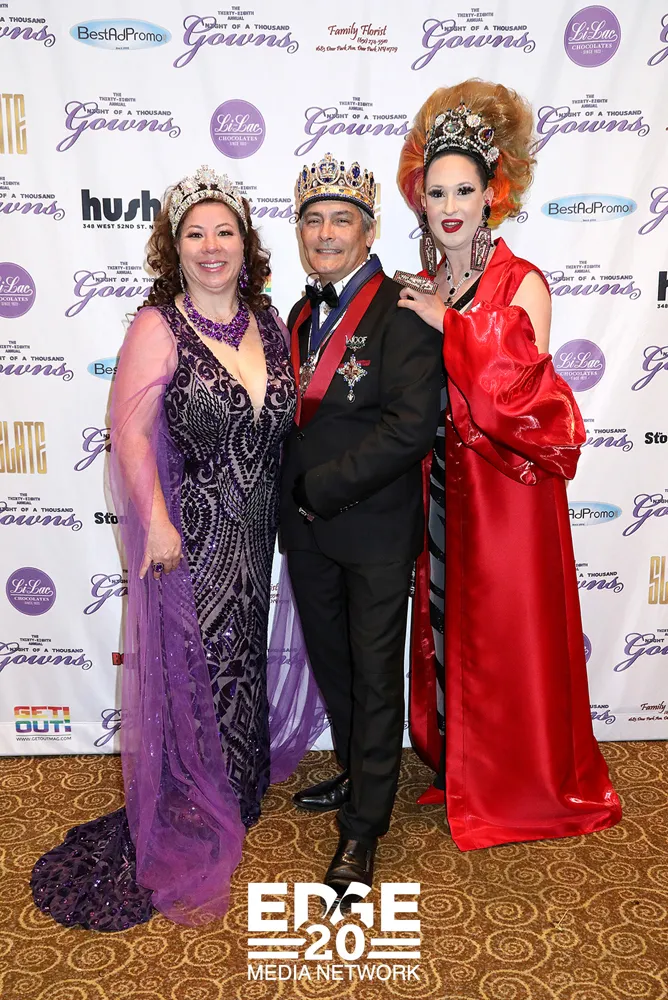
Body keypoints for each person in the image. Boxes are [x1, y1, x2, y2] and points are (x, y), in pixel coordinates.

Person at [31, 165, 324, 930]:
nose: (211, 246)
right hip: (188, 532)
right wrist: (157, 523)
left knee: (241, 652)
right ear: (175, 247)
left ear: (246, 245)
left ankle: (238, 783)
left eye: (224, 231)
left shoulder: (267, 320)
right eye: (196, 234)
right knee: (196, 659)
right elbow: (128, 433)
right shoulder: (157, 326)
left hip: (255, 532)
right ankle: (195, 794)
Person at [396, 82, 622, 850]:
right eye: (436, 192)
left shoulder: (521, 280)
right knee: (448, 625)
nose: (450, 206)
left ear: (493, 193)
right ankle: (464, 768)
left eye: (464, 190)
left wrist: (449, 325)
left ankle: (520, 783)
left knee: (507, 637)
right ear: (420, 200)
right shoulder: (427, 282)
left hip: (507, 492)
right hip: (442, 485)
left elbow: (522, 396)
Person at [281, 153, 441, 897]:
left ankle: (365, 826)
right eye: (313, 220)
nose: (325, 233)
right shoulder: (299, 312)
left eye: (340, 220)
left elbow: (409, 429)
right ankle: (354, 772)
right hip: (307, 529)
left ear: (369, 230)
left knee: (375, 676)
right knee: (335, 664)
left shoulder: (405, 309)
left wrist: (320, 487)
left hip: (372, 528)